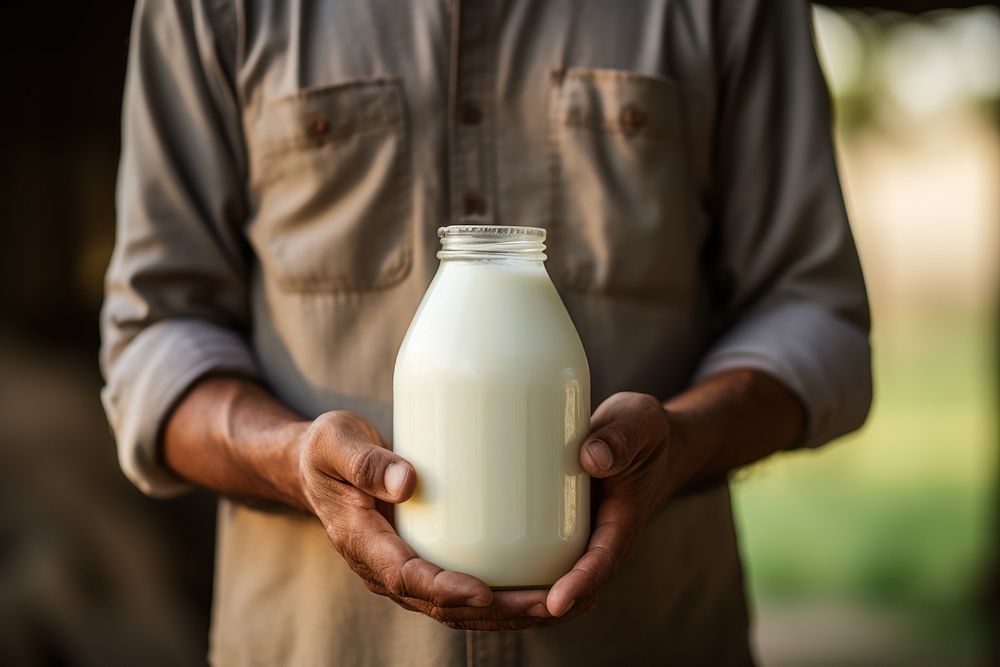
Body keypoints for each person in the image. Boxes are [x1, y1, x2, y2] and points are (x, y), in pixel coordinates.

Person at [101, 0, 872, 664]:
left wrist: (684, 439)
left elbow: (815, 316)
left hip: (649, 638)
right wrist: (291, 457)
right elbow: (152, 338)